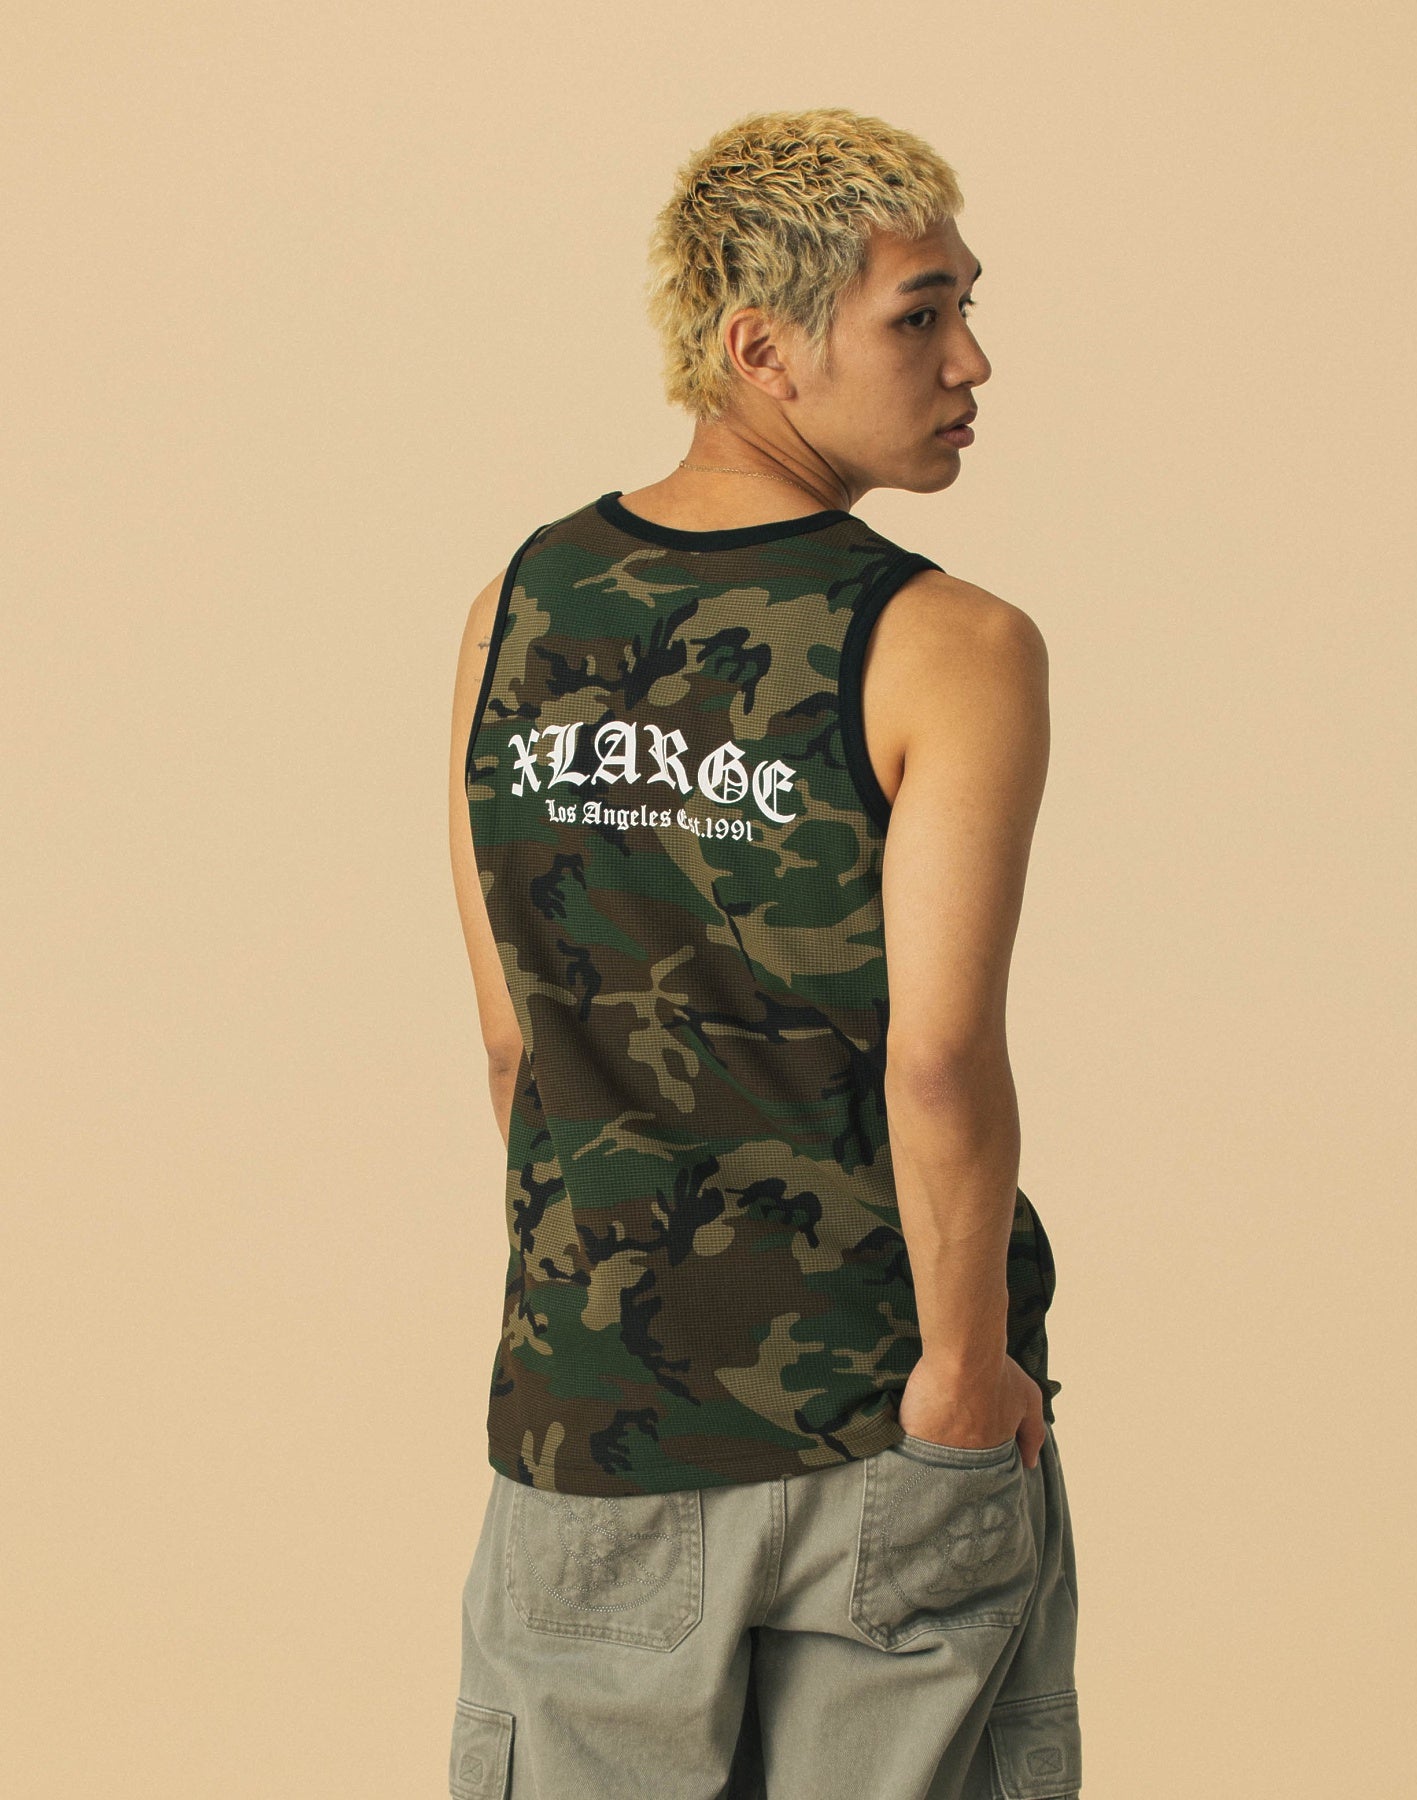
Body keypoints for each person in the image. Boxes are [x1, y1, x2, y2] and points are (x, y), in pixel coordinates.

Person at [445, 107, 1082, 1800]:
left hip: (597, 1408)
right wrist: (964, 1379)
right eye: (921, 315)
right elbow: (936, 1061)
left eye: (965, 308)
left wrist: (600, 1325)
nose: (971, 359)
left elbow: (515, 1044)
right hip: (887, 1412)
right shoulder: (951, 645)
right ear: (761, 349)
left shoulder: (520, 606)